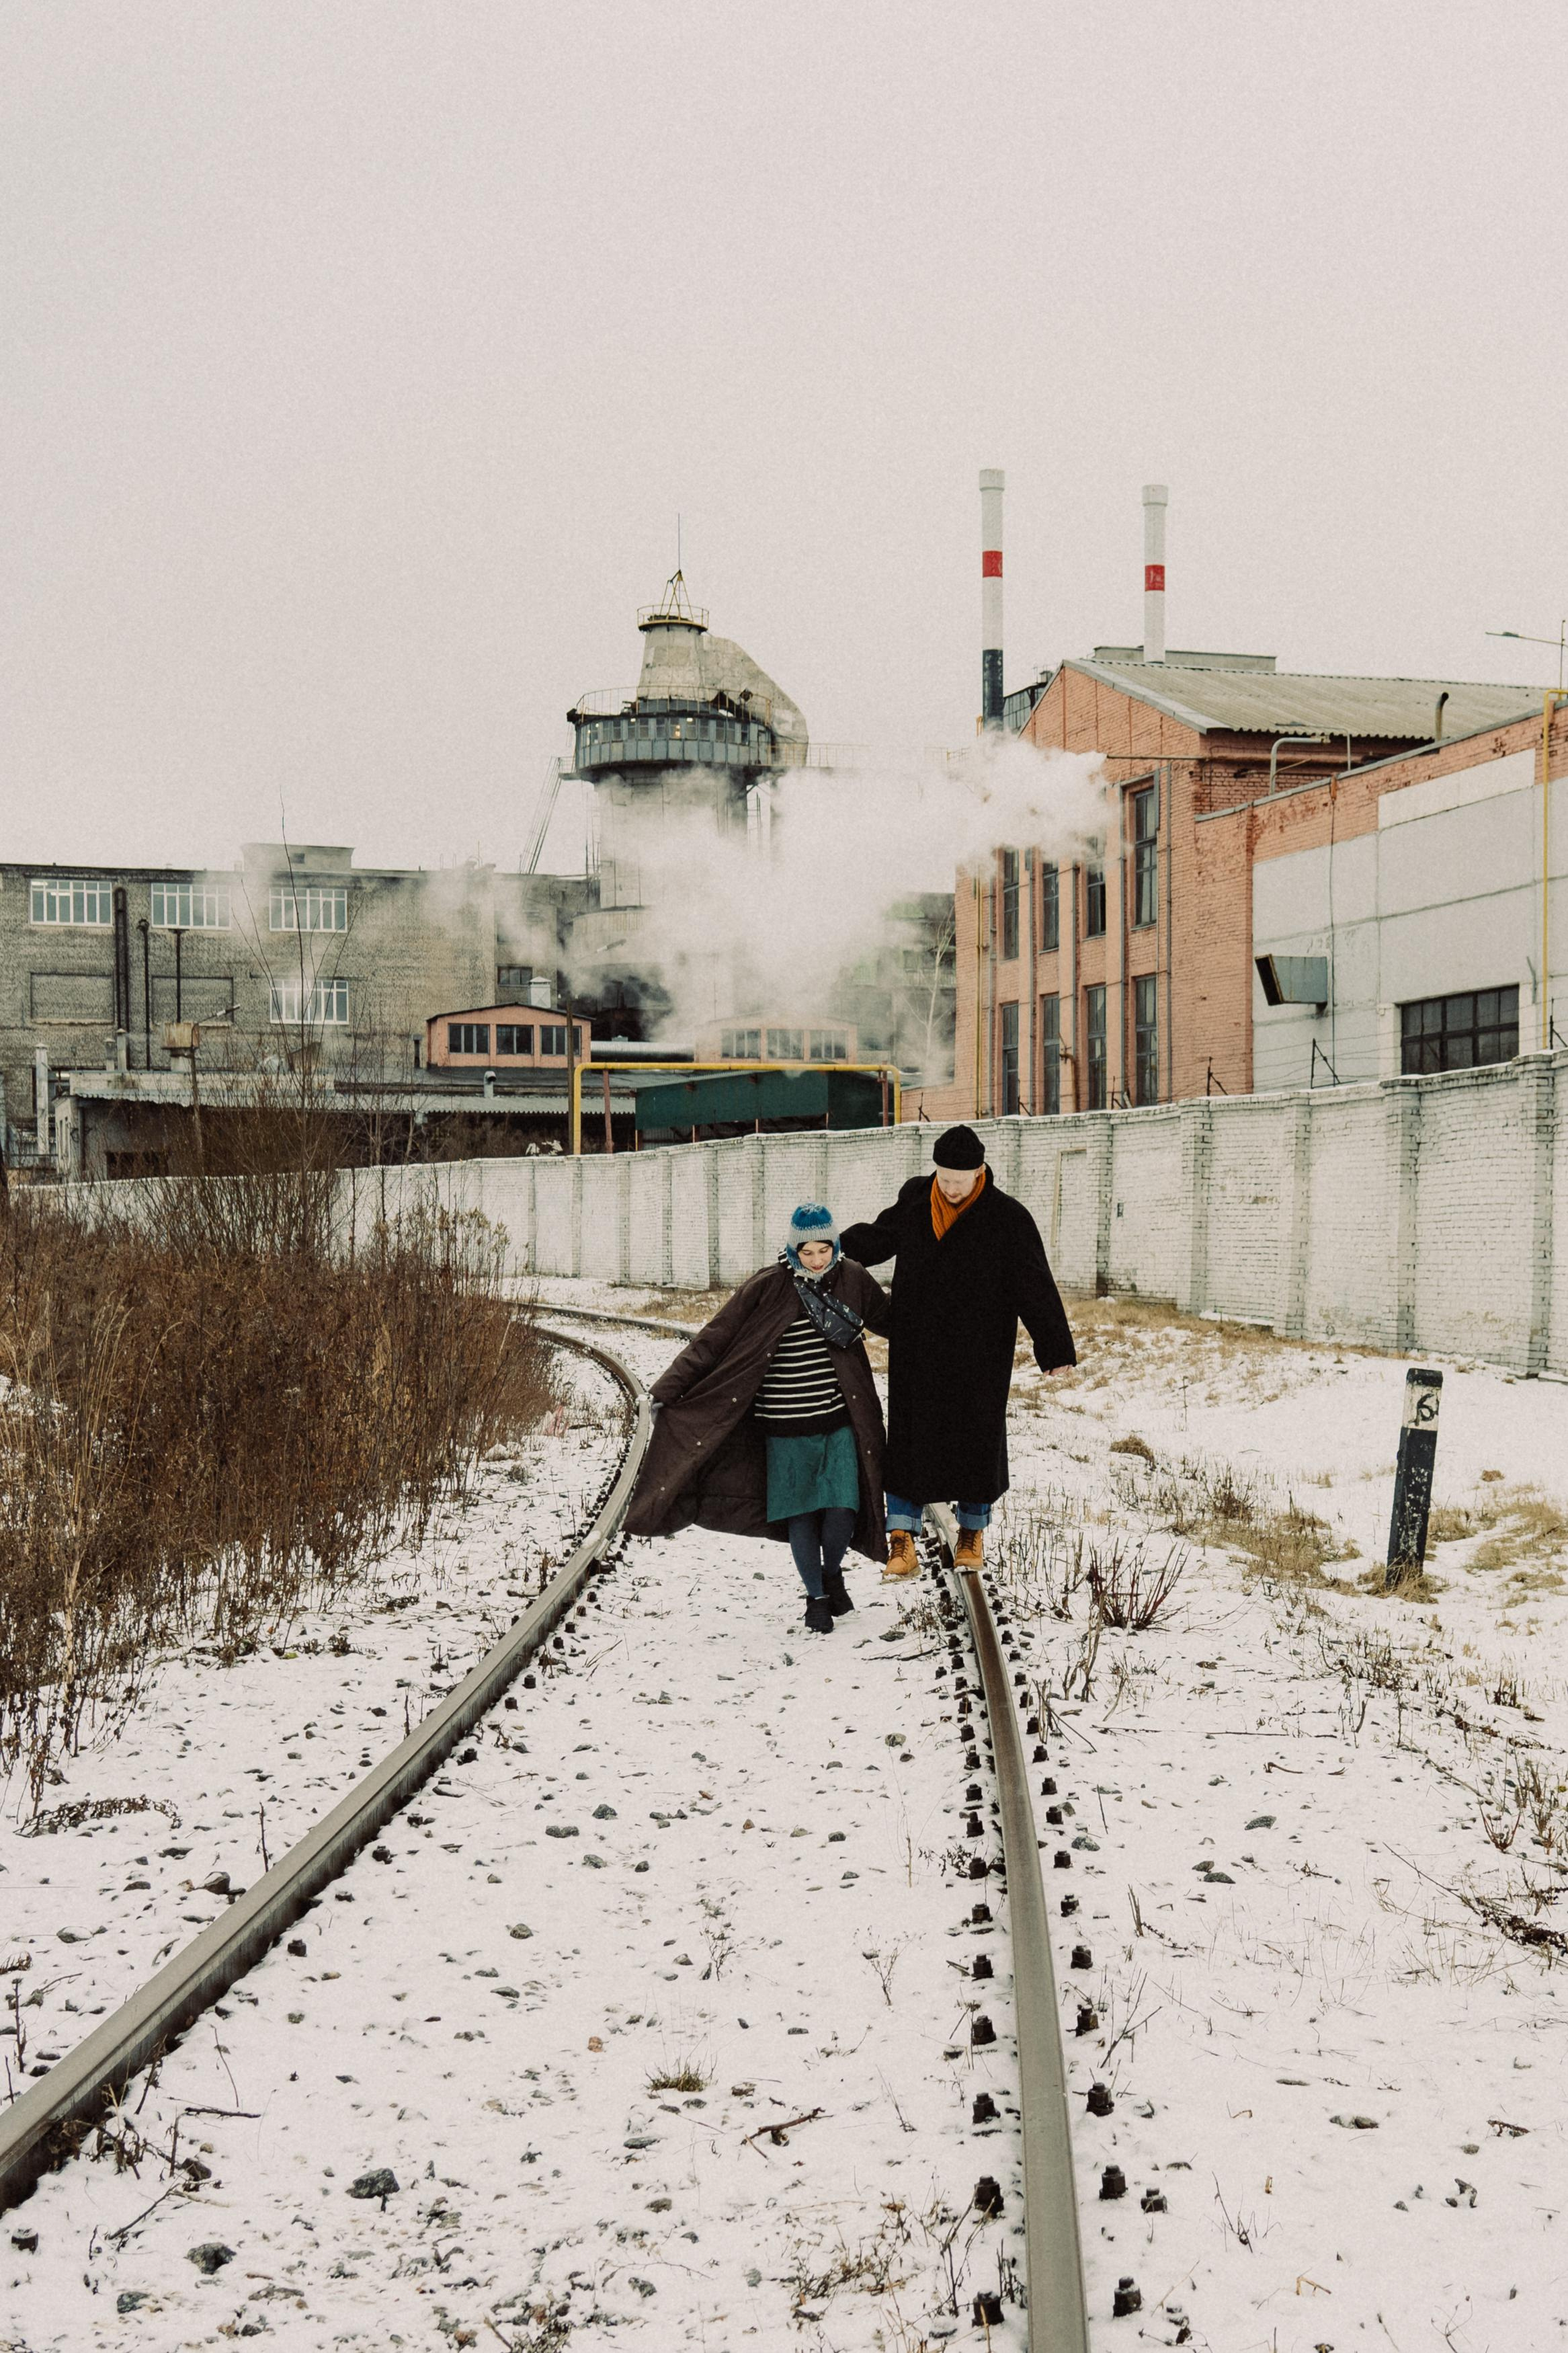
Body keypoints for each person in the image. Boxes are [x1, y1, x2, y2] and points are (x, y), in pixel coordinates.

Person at [624, 1203, 891, 1634]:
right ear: (793, 1249)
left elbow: (893, 1320)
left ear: (836, 1246)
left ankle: (831, 1572)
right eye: (808, 1252)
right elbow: (714, 1339)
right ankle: (817, 1598)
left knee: (845, 1510)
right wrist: (667, 1390)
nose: (818, 1260)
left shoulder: (853, 1279)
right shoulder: (768, 1287)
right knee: (802, 1515)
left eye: (825, 1250)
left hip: (839, 1422)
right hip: (784, 1428)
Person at [840, 1124, 1075, 1575]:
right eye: (943, 1177)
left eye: (957, 1180)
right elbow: (877, 1237)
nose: (948, 1187)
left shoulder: (1007, 1216)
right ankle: (901, 1538)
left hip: (979, 1351)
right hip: (918, 1343)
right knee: (909, 1436)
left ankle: (971, 1532)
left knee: (976, 1438)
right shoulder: (916, 1197)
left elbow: (1034, 1285)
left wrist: (1055, 1349)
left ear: (979, 1172)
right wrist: (829, 1248)